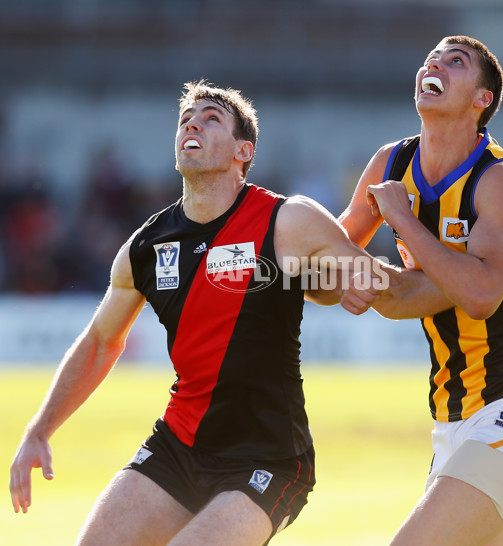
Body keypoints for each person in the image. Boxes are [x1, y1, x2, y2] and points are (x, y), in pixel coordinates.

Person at [8, 80, 396, 545]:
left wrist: (370, 279)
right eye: (186, 118)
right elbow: (99, 343)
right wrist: (39, 429)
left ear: (242, 151)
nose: (192, 122)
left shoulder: (288, 219)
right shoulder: (146, 247)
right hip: (179, 447)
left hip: (267, 458)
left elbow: (366, 279)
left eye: (212, 118)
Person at [339, 36, 503, 546]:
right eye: (430, 59)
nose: (433, 64)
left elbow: (482, 298)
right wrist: (351, 282)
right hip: (451, 417)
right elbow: (325, 263)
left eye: (454, 61)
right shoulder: (390, 164)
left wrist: (403, 223)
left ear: (482, 98)